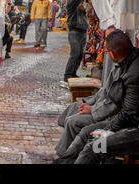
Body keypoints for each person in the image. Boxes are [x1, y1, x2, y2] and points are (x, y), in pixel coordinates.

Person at [72, 30, 139, 164]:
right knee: (87, 133)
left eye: (107, 52)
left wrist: (107, 130)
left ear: (112, 54)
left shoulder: (136, 74)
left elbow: (130, 114)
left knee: (95, 146)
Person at [54, 27, 129, 158]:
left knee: (73, 121)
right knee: (73, 107)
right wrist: (87, 102)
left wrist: (92, 109)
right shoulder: (119, 66)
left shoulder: (125, 71)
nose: (105, 46)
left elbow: (114, 104)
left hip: (110, 115)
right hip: (103, 106)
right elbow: (103, 92)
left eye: (107, 42)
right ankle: (68, 145)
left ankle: (66, 154)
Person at [62, 0, 89, 87]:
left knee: (80, 54)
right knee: (75, 53)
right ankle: (67, 75)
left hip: (82, 31)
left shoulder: (80, 5)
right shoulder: (70, 3)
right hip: (74, 31)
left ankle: (73, 73)